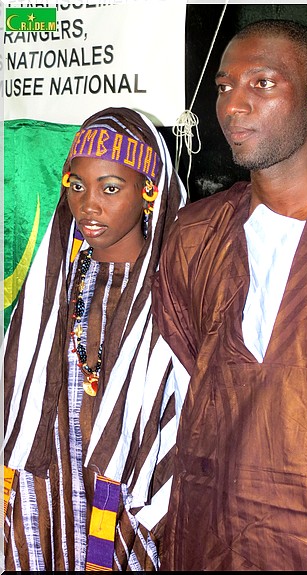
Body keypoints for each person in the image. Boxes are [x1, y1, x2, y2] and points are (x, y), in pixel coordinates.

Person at [152, 19, 307, 571]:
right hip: (211, 533)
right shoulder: (196, 232)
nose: (232, 106)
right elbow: (188, 387)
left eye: (262, 83)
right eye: (223, 86)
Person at [3, 107, 187, 571]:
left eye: (110, 188)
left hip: (126, 488)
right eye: (77, 186)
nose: (88, 206)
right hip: (52, 481)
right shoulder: (53, 285)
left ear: (149, 192)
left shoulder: (175, 288)